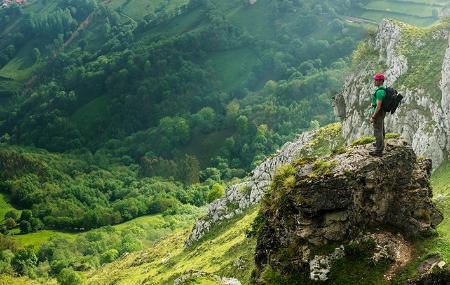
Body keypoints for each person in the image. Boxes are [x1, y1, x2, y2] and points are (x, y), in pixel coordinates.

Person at [369, 73, 386, 157]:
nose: (374, 81)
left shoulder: (379, 91)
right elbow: (379, 103)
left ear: (380, 81)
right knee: (381, 128)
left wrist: (373, 116)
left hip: (378, 113)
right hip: (382, 112)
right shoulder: (383, 89)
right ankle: (379, 144)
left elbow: (379, 106)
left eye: (376, 80)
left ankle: (379, 151)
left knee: (378, 131)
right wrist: (373, 104)